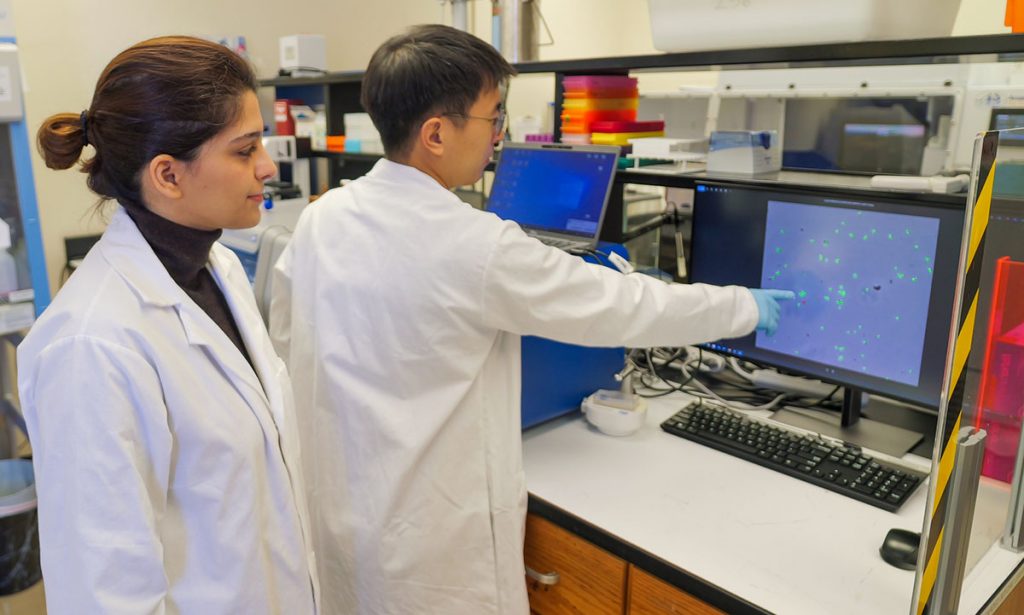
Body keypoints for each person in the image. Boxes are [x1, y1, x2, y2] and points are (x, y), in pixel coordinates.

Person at [270, 24, 793, 615]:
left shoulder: (325, 216)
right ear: (436, 133)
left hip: (341, 519)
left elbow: (287, 347)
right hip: (430, 551)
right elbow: (622, 306)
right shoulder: (473, 245)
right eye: (493, 118)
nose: (499, 136)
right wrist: (742, 305)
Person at [18, 36, 318, 614]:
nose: (267, 166)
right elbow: (103, 595)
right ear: (168, 175)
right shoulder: (91, 345)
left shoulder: (218, 268)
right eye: (244, 149)